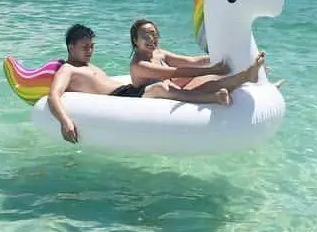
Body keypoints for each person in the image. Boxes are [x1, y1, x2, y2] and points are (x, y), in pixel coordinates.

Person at [47, 24, 265, 144]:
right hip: (120, 98)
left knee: (194, 80)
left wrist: (225, 56)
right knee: (162, 87)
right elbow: (53, 96)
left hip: (128, 90)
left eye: (92, 46)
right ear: (70, 47)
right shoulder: (68, 69)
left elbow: (188, 62)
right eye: (85, 46)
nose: (90, 50)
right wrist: (65, 121)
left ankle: (245, 76)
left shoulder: (88, 66)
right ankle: (212, 98)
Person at [129, 18, 268, 94]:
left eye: (153, 34)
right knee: (209, 83)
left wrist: (218, 55)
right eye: (144, 36)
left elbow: (191, 61)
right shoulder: (139, 65)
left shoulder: (159, 53)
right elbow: (175, 72)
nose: (151, 39)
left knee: (211, 77)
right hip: (159, 98)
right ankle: (246, 76)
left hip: (171, 87)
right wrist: (213, 69)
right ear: (135, 40)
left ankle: (251, 75)